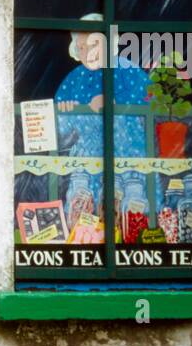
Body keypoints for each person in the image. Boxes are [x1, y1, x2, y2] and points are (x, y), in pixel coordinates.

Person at [55, 13, 149, 226]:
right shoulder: (73, 79)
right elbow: (60, 133)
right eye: (82, 47)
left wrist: (116, 104)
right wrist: (68, 111)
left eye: (93, 44)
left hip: (128, 154)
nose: (87, 52)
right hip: (87, 161)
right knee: (84, 201)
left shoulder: (128, 71)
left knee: (131, 202)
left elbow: (151, 113)